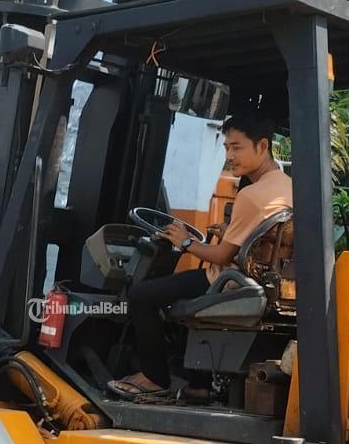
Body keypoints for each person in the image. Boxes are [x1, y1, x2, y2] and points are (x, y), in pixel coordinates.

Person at [109, 112, 293, 401]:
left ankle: (154, 378)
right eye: (226, 148)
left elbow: (221, 254)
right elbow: (263, 236)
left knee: (142, 296)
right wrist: (229, 232)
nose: (229, 156)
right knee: (178, 292)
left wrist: (183, 241)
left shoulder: (251, 195)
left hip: (230, 280)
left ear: (262, 146)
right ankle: (199, 385)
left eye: (237, 147)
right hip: (263, 277)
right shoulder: (287, 187)